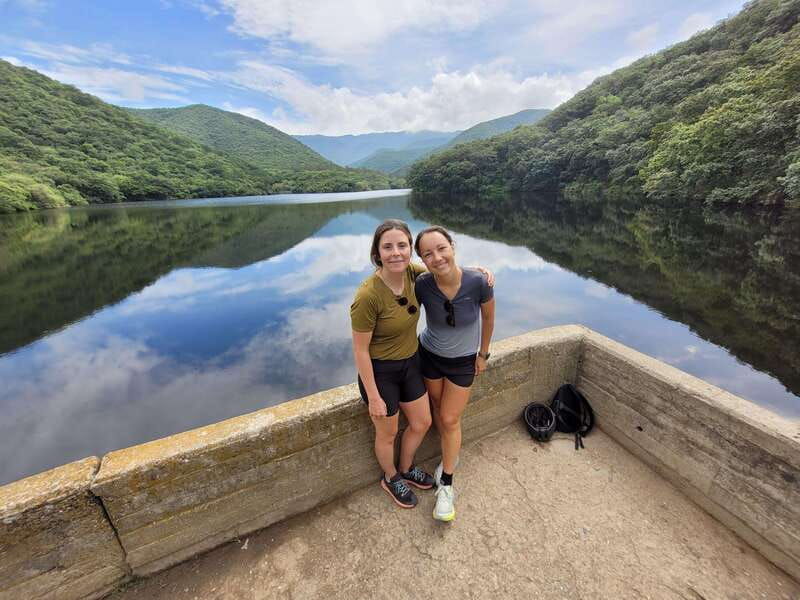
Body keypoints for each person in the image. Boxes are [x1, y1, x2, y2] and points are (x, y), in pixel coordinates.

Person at [350, 219, 436, 509]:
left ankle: (407, 467)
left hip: (411, 363)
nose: (396, 252)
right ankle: (390, 477)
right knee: (386, 433)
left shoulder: (413, 273)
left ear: (411, 249)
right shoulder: (367, 296)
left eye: (402, 245)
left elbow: (446, 272)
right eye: (388, 247)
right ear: (377, 253)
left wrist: (479, 274)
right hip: (380, 373)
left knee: (422, 421)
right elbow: (360, 350)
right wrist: (373, 396)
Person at [414, 225, 495, 522]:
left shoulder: (478, 282)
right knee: (437, 409)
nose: (436, 257)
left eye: (441, 248)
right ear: (421, 259)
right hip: (429, 357)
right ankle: (448, 454)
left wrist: (483, 353)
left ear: (452, 246)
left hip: (462, 362)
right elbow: (396, 279)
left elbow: (488, 318)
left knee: (449, 418)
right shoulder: (422, 284)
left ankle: (447, 482)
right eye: (427, 254)